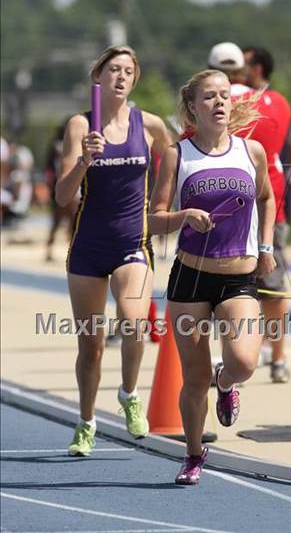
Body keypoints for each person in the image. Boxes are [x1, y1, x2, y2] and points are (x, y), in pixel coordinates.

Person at [149, 69, 276, 485]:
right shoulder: (177, 155)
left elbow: (268, 197)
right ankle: (191, 454)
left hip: (239, 276)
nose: (220, 102)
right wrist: (184, 216)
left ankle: (227, 381)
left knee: (243, 361)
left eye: (224, 95)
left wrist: (267, 247)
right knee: (193, 378)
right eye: (209, 97)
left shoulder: (251, 151)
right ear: (192, 108)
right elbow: (153, 220)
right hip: (190, 277)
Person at [55, 45, 173, 457]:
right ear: (98, 78)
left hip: (132, 243)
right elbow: (62, 195)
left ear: (134, 79)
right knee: (91, 345)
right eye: (113, 70)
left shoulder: (151, 124)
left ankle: (128, 393)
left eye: (128, 71)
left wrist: (162, 203)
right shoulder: (79, 125)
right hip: (88, 246)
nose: (120, 77)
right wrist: (85, 160)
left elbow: (174, 156)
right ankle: (86, 421)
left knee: (134, 322)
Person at [207, 43, 291, 383]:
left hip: (233, 204)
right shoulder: (280, 103)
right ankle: (279, 357)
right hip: (274, 202)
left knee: (224, 285)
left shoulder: (222, 101)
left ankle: (234, 357)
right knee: (272, 287)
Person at [241, 45, 291, 383]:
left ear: (257, 69)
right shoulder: (238, 98)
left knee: (271, 288)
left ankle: (279, 355)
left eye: (243, 65)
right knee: (242, 288)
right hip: (241, 208)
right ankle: (251, 349)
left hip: (270, 205)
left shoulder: (272, 102)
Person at [44, 120, 79, 262]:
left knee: (72, 220)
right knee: (57, 220)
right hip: (58, 185)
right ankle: (49, 249)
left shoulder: (75, 144)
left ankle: (72, 249)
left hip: (73, 186)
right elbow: (49, 167)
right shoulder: (57, 146)